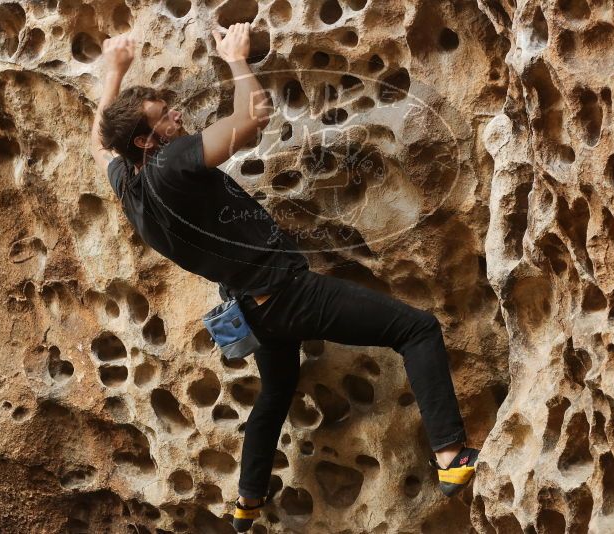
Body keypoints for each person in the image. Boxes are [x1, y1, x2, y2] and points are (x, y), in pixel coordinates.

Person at [89, 26, 479, 532]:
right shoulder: (168, 165)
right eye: (165, 117)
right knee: (417, 329)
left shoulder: (131, 186)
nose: (177, 116)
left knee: (276, 391)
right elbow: (251, 117)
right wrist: (236, 58)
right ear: (145, 140)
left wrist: (113, 72)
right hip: (289, 296)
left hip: (253, 311)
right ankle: (451, 456)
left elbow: (99, 143)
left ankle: (247, 501)